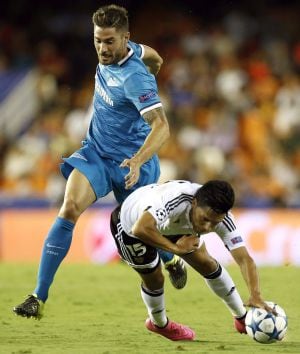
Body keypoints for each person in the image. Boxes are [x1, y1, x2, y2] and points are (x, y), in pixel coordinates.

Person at [13, 4, 186, 320]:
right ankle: (38, 296)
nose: (102, 49)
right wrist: (156, 65)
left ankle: (170, 258)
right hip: (97, 154)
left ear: (125, 38)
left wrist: (136, 160)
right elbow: (155, 58)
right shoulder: (134, 50)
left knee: (141, 231)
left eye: (109, 42)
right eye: (98, 40)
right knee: (68, 208)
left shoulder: (135, 80)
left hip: (135, 164)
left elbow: (163, 127)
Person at [109, 179, 274, 341]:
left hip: (171, 225)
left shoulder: (223, 218)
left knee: (206, 262)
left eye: (214, 223)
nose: (207, 228)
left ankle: (241, 317)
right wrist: (176, 249)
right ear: (194, 203)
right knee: (155, 279)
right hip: (130, 226)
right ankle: (159, 324)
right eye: (205, 220)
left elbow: (244, 259)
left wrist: (255, 294)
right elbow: (141, 228)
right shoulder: (175, 200)